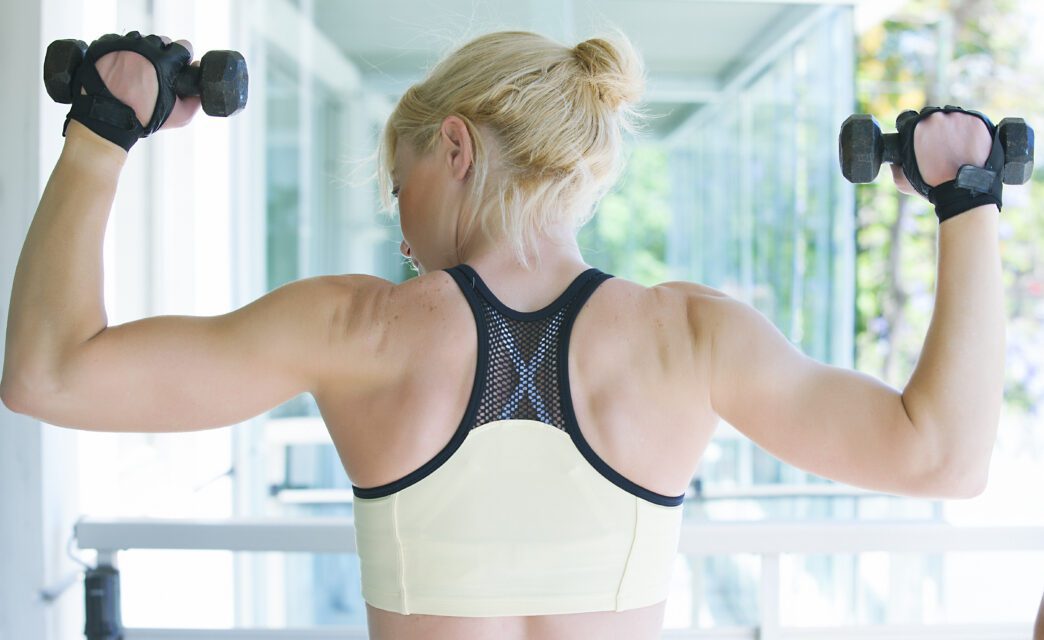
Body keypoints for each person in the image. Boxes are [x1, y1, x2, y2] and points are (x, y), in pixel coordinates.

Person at [1, 27, 1005, 640]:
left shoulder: (360, 328)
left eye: (405, 187)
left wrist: (104, 128)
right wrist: (968, 202)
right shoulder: (687, 337)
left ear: (455, 146)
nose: (402, 230)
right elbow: (945, 456)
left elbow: (49, 373)